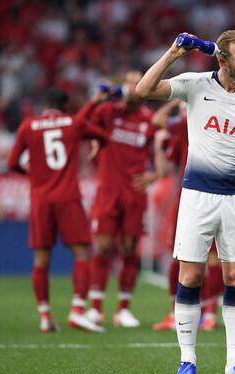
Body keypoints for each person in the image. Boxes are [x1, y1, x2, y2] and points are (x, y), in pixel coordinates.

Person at [135, 30, 235, 374]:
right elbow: (143, 90)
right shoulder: (195, 84)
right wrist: (172, 54)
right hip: (197, 196)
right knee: (191, 275)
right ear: (222, 59)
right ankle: (187, 360)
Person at [7, 87, 108, 333]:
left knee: (41, 258)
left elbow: (11, 163)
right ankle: (77, 311)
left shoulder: (28, 126)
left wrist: (32, 176)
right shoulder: (73, 123)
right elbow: (102, 136)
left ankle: (45, 316)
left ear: (44, 104)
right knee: (81, 253)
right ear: (65, 106)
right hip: (67, 197)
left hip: (40, 199)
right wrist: (94, 139)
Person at [85, 71, 159, 328]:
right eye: (129, 83)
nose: (132, 88)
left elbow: (160, 151)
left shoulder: (149, 120)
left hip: (134, 193)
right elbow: (83, 124)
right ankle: (95, 308)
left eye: (138, 83)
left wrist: (154, 175)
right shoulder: (107, 112)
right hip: (108, 191)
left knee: (130, 249)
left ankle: (123, 309)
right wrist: (99, 98)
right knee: (103, 247)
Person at [151, 100, 224, 332]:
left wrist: (175, 100)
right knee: (212, 256)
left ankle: (177, 313)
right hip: (219, 194)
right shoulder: (219, 120)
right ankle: (209, 314)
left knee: (181, 254)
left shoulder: (186, 123)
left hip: (190, 196)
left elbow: (158, 120)